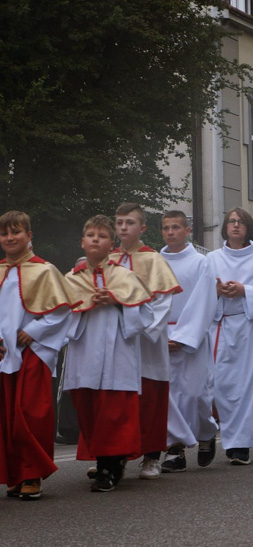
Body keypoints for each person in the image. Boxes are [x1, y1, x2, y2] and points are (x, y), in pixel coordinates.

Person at [64, 215, 154, 492]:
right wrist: (84, 306)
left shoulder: (125, 276)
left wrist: (118, 302)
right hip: (85, 352)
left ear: (111, 244)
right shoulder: (70, 278)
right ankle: (107, 460)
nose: (95, 240)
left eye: (102, 236)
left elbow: (146, 315)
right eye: (91, 235)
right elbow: (58, 316)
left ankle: (110, 465)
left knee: (114, 409)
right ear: (82, 241)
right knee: (89, 407)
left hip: (117, 353)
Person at [0, 211, 77, 500]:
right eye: (5, 233)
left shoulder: (44, 270)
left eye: (16, 232)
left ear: (29, 235)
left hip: (33, 351)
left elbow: (61, 311)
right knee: (7, 416)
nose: (10, 238)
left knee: (31, 413)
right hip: (4, 355)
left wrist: (34, 331)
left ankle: (32, 473)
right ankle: (15, 473)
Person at [110, 202, 182, 479]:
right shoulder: (109, 259)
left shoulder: (153, 259)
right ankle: (118, 455)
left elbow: (163, 302)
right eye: (119, 222)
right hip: (118, 343)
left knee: (151, 400)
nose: (124, 227)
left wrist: (140, 328)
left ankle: (151, 457)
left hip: (147, 344)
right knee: (122, 402)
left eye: (129, 222)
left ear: (142, 228)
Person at [207, 208, 253, 465]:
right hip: (221, 326)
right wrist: (216, 292)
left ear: (248, 227)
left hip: (250, 327)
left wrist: (244, 291)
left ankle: (240, 444)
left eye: (240, 222)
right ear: (225, 227)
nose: (236, 226)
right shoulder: (213, 258)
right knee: (220, 385)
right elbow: (200, 293)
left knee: (246, 387)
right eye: (231, 221)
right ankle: (212, 434)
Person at [158, 211, 219, 472]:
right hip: (159, 336)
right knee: (169, 396)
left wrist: (183, 337)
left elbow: (204, 301)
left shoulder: (200, 263)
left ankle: (206, 434)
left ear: (187, 231)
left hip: (191, 337)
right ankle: (175, 450)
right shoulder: (155, 262)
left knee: (196, 395)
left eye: (175, 227)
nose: (170, 232)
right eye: (165, 228)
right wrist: (158, 333)